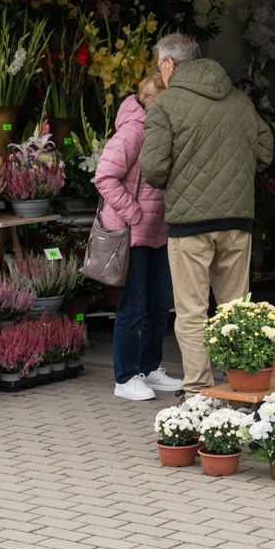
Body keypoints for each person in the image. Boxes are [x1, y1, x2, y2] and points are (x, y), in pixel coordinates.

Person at [139, 32, 273, 394]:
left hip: (189, 224)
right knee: (235, 312)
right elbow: (265, 153)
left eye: (158, 65)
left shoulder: (165, 106)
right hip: (237, 220)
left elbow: (152, 169)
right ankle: (241, 388)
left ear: (169, 65)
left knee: (192, 312)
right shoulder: (241, 101)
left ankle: (199, 393)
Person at [93, 73, 180, 401]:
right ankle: (125, 377)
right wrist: (134, 214)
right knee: (134, 305)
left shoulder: (162, 131)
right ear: (150, 100)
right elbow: (104, 177)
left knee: (160, 303)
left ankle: (149, 369)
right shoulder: (133, 131)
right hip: (130, 234)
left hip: (158, 233)